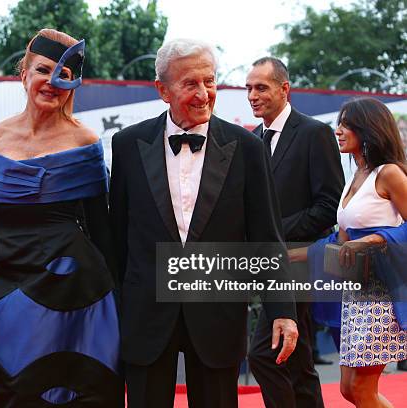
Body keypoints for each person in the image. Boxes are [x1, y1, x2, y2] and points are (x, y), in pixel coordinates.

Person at [109, 39, 298, 408]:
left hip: (217, 310)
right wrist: (112, 311)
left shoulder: (247, 147)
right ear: (163, 90)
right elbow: (118, 236)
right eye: (189, 84)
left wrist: (283, 311)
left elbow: (266, 236)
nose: (203, 94)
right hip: (146, 313)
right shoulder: (128, 144)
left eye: (209, 81)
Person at [0, 28, 122, 406]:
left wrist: (120, 301)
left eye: (63, 75)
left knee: (57, 389)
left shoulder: (86, 143)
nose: (51, 82)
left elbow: (101, 230)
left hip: (68, 289)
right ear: (23, 73)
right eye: (43, 70)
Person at [291, 97, 407, 407]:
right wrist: (290, 255)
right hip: (354, 293)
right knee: (347, 389)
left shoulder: (389, 173)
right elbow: (339, 242)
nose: (338, 130)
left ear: (367, 130)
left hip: (381, 294)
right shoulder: (356, 176)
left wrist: (373, 240)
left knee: (360, 389)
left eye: (346, 125)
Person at [244, 57, 345, 408]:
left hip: (301, 264)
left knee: (264, 353)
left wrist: (274, 235)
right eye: (248, 88)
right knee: (297, 360)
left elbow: (329, 205)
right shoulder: (253, 139)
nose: (252, 95)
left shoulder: (314, 133)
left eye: (261, 87)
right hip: (267, 267)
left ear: (284, 89)